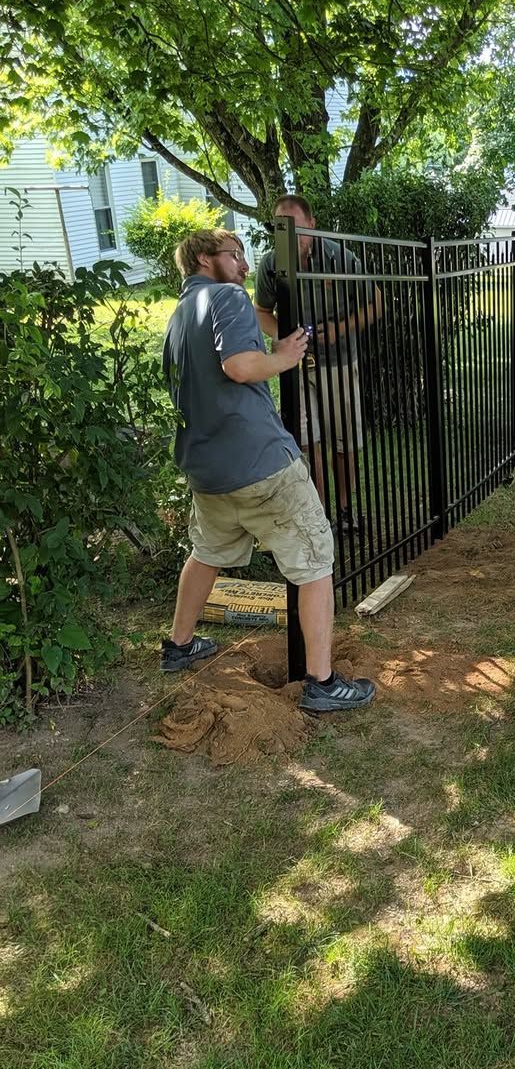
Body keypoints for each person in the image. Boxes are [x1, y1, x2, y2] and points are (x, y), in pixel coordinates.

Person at [160, 227, 375, 713]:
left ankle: (179, 646)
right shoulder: (226, 298)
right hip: (261, 464)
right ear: (202, 258)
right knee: (316, 557)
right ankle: (320, 681)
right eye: (233, 255)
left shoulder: (177, 318)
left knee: (208, 552)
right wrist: (284, 357)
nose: (241, 266)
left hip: (205, 470)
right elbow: (238, 365)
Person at [253, 194, 382, 529]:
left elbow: (376, 303)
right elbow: (261, 312)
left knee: (343, 442)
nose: (290, 235)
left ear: (311, 224)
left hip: (338, 363)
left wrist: (340, 329)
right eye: (282, 227)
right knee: (307, 442)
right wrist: (284, 339)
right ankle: (318, 514)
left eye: (296, 227)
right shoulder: (271, 264)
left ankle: (344, 511)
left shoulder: (339, 257)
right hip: (295, 367)